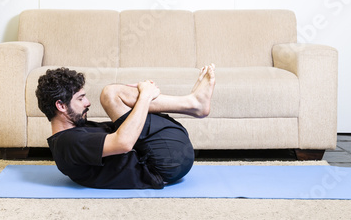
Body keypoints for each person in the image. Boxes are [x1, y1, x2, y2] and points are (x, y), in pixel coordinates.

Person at [35, 64, 216, 189]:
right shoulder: (67, 143)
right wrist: (145, 96)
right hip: (163, 164)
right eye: (80, 98)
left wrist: (141, 98)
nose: (87, 103)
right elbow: (124, 143)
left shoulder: (73, 132)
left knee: (116, 95)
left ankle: (193, 102)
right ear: (61, 106)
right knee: (110, 94)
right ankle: (194, 103)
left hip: (165, 157)